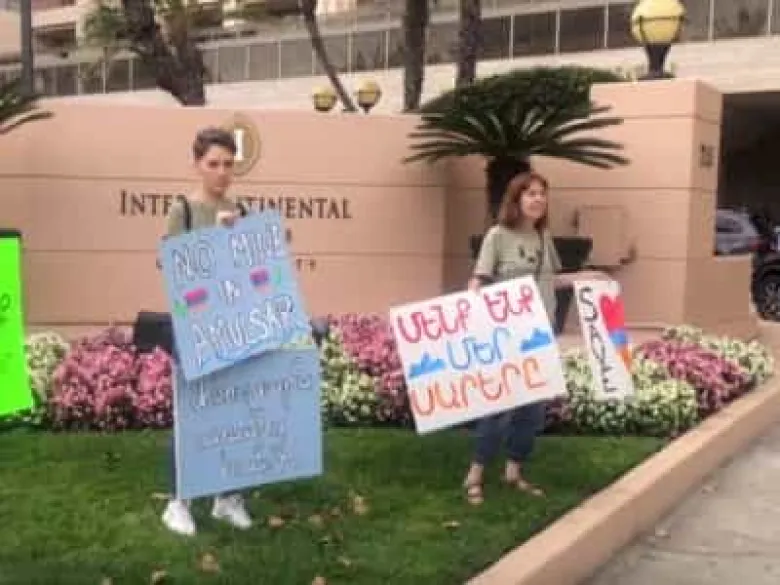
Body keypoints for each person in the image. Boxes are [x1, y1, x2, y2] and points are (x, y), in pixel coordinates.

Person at [463, 171, 606, 505]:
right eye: (530, 193)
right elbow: (480, 278)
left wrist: (588, 277)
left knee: (532, 410)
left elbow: (550, 280)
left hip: (540, 336)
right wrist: (472, 298)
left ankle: (514, 471)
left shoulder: (543, 238)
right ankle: (475, 474)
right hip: (506, 336)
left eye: (542, 193)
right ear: (516, 200)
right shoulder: (498, 236)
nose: (538, 199)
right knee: (498, 407)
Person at [160, 127, 254, 536]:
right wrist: (216, 237)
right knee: (193, 413)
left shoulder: (242, 210)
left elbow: (251, 270)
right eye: (213, 163)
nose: (222, 172)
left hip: (234, 324)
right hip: (194, 325)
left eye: (228, 164)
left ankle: (227, 498)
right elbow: (173, 268)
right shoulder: (182, 210)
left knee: (235, 410)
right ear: (197, 165)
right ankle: (178, 501)